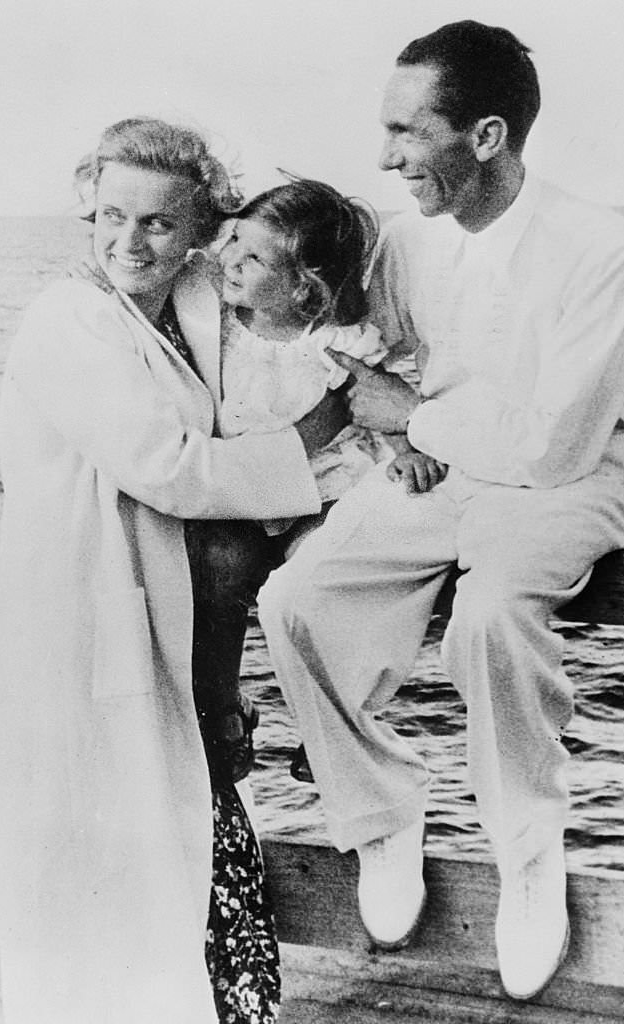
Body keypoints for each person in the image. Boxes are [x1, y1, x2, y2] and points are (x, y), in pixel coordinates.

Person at [257, 20, 624, 1001]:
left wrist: (418, 416)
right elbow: (362, 359)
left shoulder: (604, 251)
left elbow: (556, 446)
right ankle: (381, 815)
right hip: (446, 467)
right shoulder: (405, 242)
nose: (386, 156)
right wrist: (387, 421)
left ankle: (530, 857)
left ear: (485, 135)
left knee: (488, 622)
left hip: (571, 485)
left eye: (407, 131)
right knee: (296, 603)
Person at [0, 117, 345, 1024]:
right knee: (106, 874)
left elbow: (295, 295)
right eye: (110, 215)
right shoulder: (66, 319)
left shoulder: (183, 302)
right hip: (85, 628)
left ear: (200, 230)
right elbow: (171, 467)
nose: (127, 240)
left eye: (156, 222)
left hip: (174, 632)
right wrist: (328, 427)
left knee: (188, 843)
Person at [186, 175, 445, 786]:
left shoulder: (334, 341)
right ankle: (224, 703)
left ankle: (332, 720)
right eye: (233, 242)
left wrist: (411, 445)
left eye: (254, 257)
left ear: (304, 285)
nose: (231, 261)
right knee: (216, 576)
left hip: (327, 490)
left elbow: (378, 393)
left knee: (326, 590)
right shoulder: (218, 328)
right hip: (249, 496)